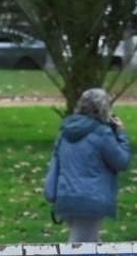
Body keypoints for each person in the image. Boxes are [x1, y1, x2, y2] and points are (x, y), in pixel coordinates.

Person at [44, 88, 131, 243]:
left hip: (66, 197)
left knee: (91, 243)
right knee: (79, 247)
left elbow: (56, 164)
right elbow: (122, 162)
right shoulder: (102, 133)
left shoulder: (65, 132)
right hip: (91, 200)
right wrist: (121, 134)